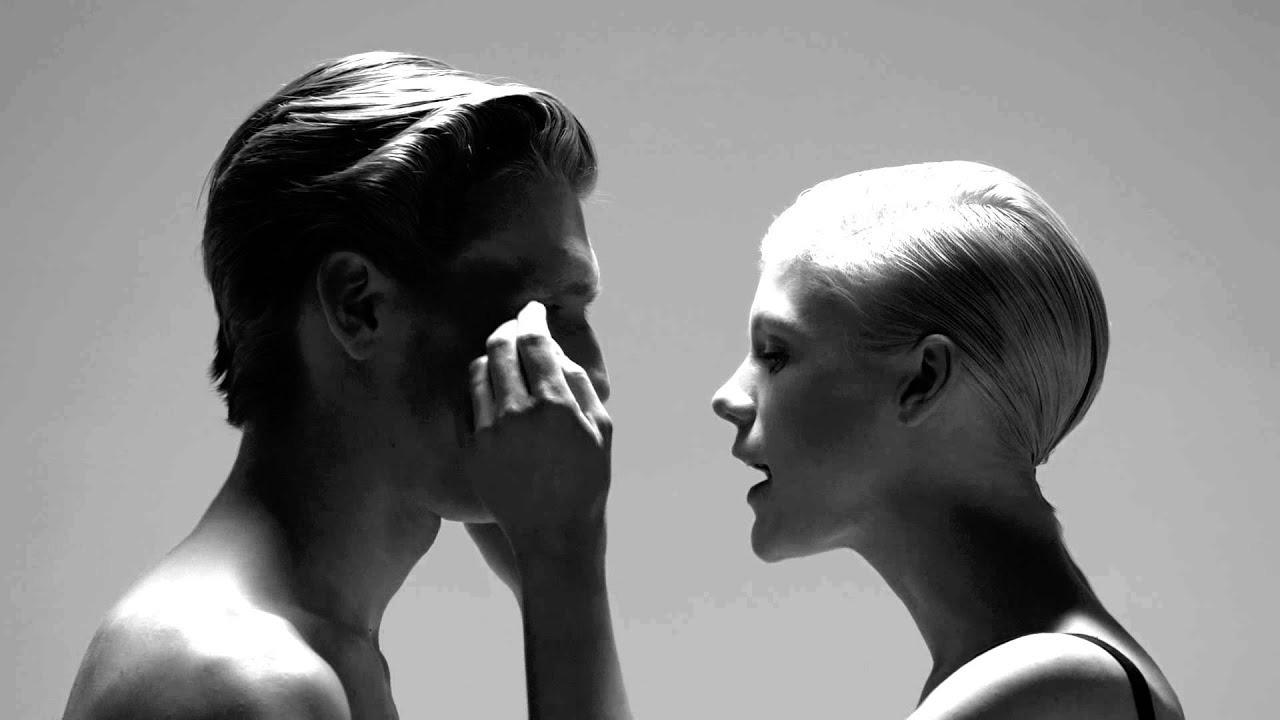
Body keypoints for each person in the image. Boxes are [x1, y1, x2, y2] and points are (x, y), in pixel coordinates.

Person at [62, 51, 630, 720]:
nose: (592, 375)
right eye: (547, 309)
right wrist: (562, 565)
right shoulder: (238, 684)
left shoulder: (316, 654)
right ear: (359, 304)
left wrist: (548, 579)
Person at [711, 161, 1184, 719]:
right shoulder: (1040, 677)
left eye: (775, 354)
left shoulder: (1052, 685)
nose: (727, 397)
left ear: (924, 378)